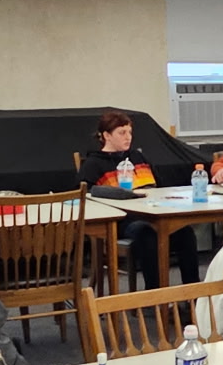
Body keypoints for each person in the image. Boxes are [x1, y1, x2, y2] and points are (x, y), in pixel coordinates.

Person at [78, 108, 201, 287]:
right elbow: (85, 193)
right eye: (122, 133)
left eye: (130, 132)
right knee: (147, 234)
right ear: (106, 135)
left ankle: (192, 292)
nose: (128, 137)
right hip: (123, 220)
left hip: (153, 214)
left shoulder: (137, 157)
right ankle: (155, 293)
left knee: (185, 232)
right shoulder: (94, 163)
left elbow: (159, 185)